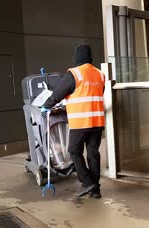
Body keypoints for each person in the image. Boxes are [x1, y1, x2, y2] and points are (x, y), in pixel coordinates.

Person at [42, 44, 105, 198]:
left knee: (74, 151)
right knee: (93, 154)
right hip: (97, 121)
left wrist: (46, 105)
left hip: (81, 122)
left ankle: (86, 182)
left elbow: (58, 93)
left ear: (77, 57)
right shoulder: (100, 74)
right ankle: (95, 190)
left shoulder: (74, 73)